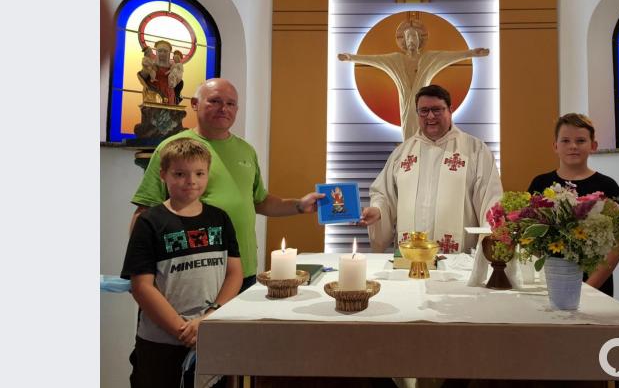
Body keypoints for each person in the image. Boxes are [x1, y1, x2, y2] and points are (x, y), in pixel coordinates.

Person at [131, 78, 324, 291]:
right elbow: (145, 210)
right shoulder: (174, 148)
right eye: (215, 101)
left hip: (243, 268)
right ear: (195, 104)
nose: (224, 108)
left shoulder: (245, 150)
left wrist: (299, 205)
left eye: (230, 104)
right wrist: (141, 270)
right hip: (192, 270)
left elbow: (259, 201)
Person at [122, 138, 241, 388]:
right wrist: (181, 329)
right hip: (160, 344)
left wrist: (209, 318)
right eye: (180, 174)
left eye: (199, 173)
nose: (191, 181)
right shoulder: (150, 222)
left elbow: (234, 274)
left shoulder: (220, 219)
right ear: (163, 174)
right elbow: (142, 286)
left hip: (209, 334)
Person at [360, 84, 502, 254]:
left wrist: (488, 250)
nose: (430, 116)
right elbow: (383, 194)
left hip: (458, 260)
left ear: (450, 109)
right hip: (411, 257)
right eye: (424, 111)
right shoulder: (402, 153)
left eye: (437, 110)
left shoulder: (475, 150)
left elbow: (491, 201)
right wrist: (378, 211)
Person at [527, 113, 619, 297]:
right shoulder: (541, 184)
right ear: (555, 146)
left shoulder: (606, 185)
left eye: (581, 140)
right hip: (551, 282)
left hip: (596, 285)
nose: (573, 146)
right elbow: (527, 235)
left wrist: (589, 287)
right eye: (566, 140)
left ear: (593, 146)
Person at [338, 17, 489, 140]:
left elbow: (449, 57)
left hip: (423, 107)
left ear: (419, 40)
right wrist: (350, 58)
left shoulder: (429, 58)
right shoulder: (396, 60)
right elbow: (374, 60)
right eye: (408, 36)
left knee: (425, 133)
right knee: (409, 140)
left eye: (414, 36)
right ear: (403, 40)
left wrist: (473, 53)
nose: (411, 39)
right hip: (406, 106)